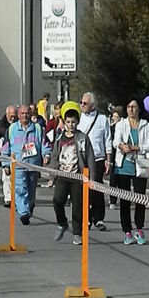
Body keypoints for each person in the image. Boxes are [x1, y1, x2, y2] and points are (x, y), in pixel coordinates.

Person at [51, 101, 95, 245]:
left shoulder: (82, 138)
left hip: (77, 177)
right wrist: (53, 175)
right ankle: (62, 223)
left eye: (74, 122)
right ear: (64, 122)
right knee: (57, 201)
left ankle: (77, 233)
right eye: (68, 122)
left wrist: (91, 178)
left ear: (77, 122)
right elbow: (54, 156)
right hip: (63, 176)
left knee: (78, 207)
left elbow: (90, 157)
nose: (71, 125)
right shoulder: (59, 138)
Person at [113, 97, 149, 245]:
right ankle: (127, 231)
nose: (131, 109)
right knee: (124, 200)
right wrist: (122, 146)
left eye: (134, 106)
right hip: (123, 165)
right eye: (129, 106)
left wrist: (136, 147)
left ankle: (140, 228)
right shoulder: (121, 124)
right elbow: (115, 141)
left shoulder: (146, 126)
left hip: (139, 165)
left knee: (140, 199)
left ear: (139, 109)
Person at [2, 104, 51, 224]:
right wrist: (6, 164)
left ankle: (30, 205)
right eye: (22, 113)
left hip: (33, 165)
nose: (25, 116)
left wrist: (47, 155)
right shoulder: (12, 130)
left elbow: (45, 144)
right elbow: (5, 149)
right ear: (18, 115)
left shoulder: (38, 129)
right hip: (18, 165)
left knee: (31, 189)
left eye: (27, 113)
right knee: (20, 188)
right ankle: (23, 213)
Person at [78, 92, 112, 231]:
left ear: (92, 105)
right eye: (80, 102)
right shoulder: (78, 118)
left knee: (96, 188)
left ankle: (98, 218)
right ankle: (86, 218)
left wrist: (108, 160)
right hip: (82, 158)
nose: (81, 105)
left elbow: (107, 140)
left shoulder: (102, 119)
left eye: (84, 103)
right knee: (83, 189)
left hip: (98, 158)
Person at [0, 105, 18, 207]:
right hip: (5, 153)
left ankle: (17, 198)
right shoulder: (0, 125)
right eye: (11, 116)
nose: (12, 118)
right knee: (7, 176)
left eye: (14, 116)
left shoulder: (18, 124)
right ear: (6, 114)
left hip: (17, 153)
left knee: (17, 178)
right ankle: (8, 198)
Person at [108, 106, 125, 209]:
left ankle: (124, 199)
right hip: (113, 156)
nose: (113, 118)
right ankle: (113, 200)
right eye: (113, 116)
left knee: (122, 180)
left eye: (116, 117)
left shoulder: (124, 127)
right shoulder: (111, 128)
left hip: (122, 155)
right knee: (113, 180)